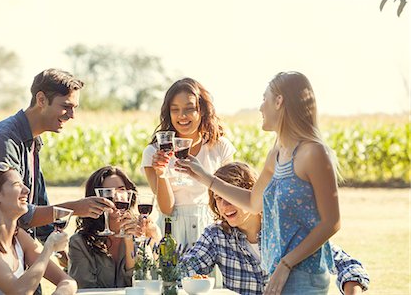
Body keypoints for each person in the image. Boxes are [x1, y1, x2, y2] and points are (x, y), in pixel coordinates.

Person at [178, 71, 342, 294]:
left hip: (304, 276)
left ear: (279, 101)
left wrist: (287, 264)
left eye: (264, 99)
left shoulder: (313, 152)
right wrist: (205, 178)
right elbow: (254, 202)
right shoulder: (276, 153)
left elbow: (331, 222)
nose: (260, 107)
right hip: (277, 273)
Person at [0, 69, 114, 287]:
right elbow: (12, 208)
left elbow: (39, 203)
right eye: (66, 106)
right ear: (41, 99)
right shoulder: (4, 140)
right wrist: (75, 208)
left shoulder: (33, 143)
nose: (72, 115)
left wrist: (58, 245)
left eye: (74, 108)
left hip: (17, 245)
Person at [179, 162, 369, 295]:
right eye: (218, 198)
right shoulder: (216, 236)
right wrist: (155, 243)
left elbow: (349, 266)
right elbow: (183, 271)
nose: (224, 206)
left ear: (251, 194)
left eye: (230, 196)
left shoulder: (286, 229)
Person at [141, 77, 236, 247]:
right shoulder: (153, 153)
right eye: (175, 109)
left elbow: (230, 196)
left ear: (203, 111)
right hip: (171, 233)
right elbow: (167, 209)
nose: (182, 116)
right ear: (168, 113)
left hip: (211, 231)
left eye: (189, 109)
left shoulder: (220, 147)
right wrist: (161, 174)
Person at [0, 162, 77, 294]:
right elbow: (19, 292)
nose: (26, 190)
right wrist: (49, 247)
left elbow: (68, 281)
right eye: (17, 185)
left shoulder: (18, 237)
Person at [68, 166, 161, 289]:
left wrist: (129, 242)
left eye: (121, 190)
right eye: (108, 192)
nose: (116, 197)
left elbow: (144, 284)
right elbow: (85, 289)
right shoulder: (79, 243)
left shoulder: (141, 235)